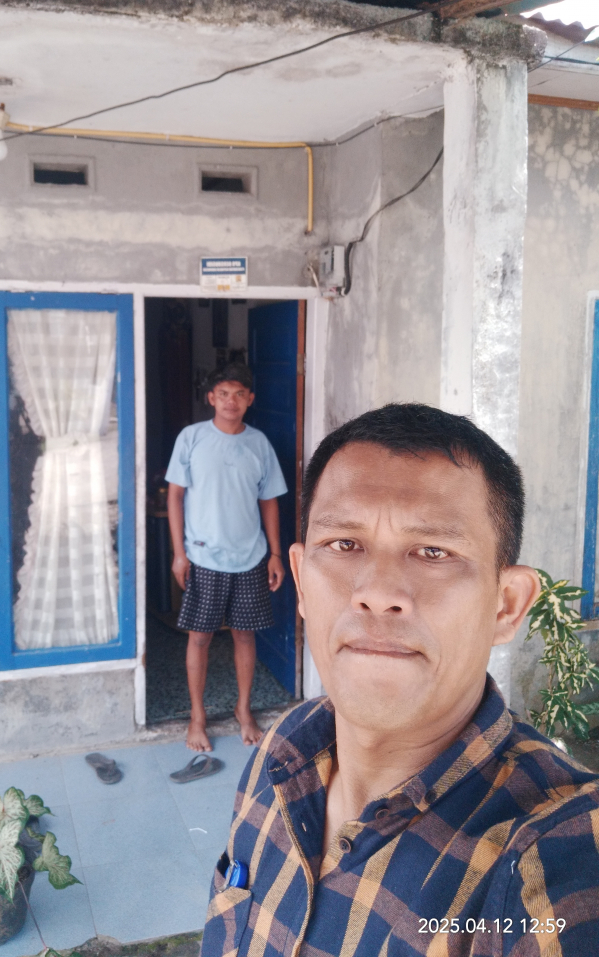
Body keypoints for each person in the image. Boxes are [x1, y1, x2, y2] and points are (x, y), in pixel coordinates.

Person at [201, 403, 599, 956]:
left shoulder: (551, 855)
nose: (377, 592)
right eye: (344, 544)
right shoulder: (282, 748)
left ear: (506, 605)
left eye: (433, 552)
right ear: (301, 580)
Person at [166, 361, 287, 753]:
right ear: (211, 398)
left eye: (238, 394)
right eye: (223, 394)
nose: (230, 401)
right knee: (199, 637)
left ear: (250, 399)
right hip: (203, 556)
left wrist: (275, 553)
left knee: (245, 634)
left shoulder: (259, 444)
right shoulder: (192, 438)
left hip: (250, 557)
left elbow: (269, 500)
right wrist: (179, 554)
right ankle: (197, 717)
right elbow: (175, 496)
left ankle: (243, 709)